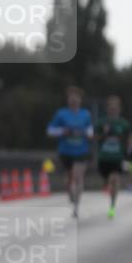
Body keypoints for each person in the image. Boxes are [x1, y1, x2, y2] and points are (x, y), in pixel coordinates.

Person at [47, 86, 93, 218]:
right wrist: (63, 131)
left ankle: (76, 208)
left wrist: (88, 133)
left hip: (81, 151)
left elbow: (90, 130)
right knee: (69, 179)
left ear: (80, 100)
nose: (73, 100)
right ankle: (70, 193)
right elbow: (50, 130)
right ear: (68, 100)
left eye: (76, 97)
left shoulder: (86, 114)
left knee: (78, 177)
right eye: (71, 97)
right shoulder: (61, 114)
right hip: (66, 151)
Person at [94, 96, 132, 218]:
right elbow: (94, 138)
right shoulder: (101, 122)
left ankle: (112, 205)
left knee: (115, 179)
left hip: (117, 158)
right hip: (104, 158)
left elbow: (130, 137)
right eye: (111, 108)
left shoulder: (123, 123)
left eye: (115, 108)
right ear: (107, 109)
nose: (113, 110)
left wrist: (129, 150)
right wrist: (104, 134)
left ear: (119, 109)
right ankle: (107, 184)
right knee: (109, 179)